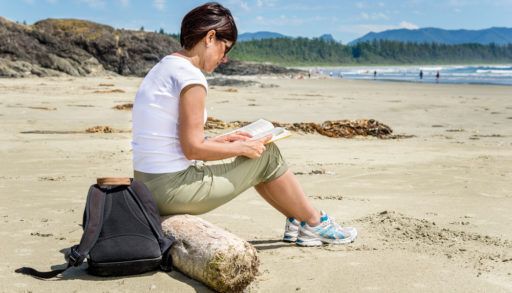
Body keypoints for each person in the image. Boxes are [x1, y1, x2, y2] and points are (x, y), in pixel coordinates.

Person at [131, 2, 357, 247]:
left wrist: (220, 141)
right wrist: (243, 149)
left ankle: (297, 218)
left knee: (258, 155)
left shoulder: (165, 67)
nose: (225, 58)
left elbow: (171, 140)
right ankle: (314, 222)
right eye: (225, 48)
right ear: (210, 37)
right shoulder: (191, 78)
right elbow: (192, 150)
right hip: (171, 190)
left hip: (147, 185)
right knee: (267, 155)